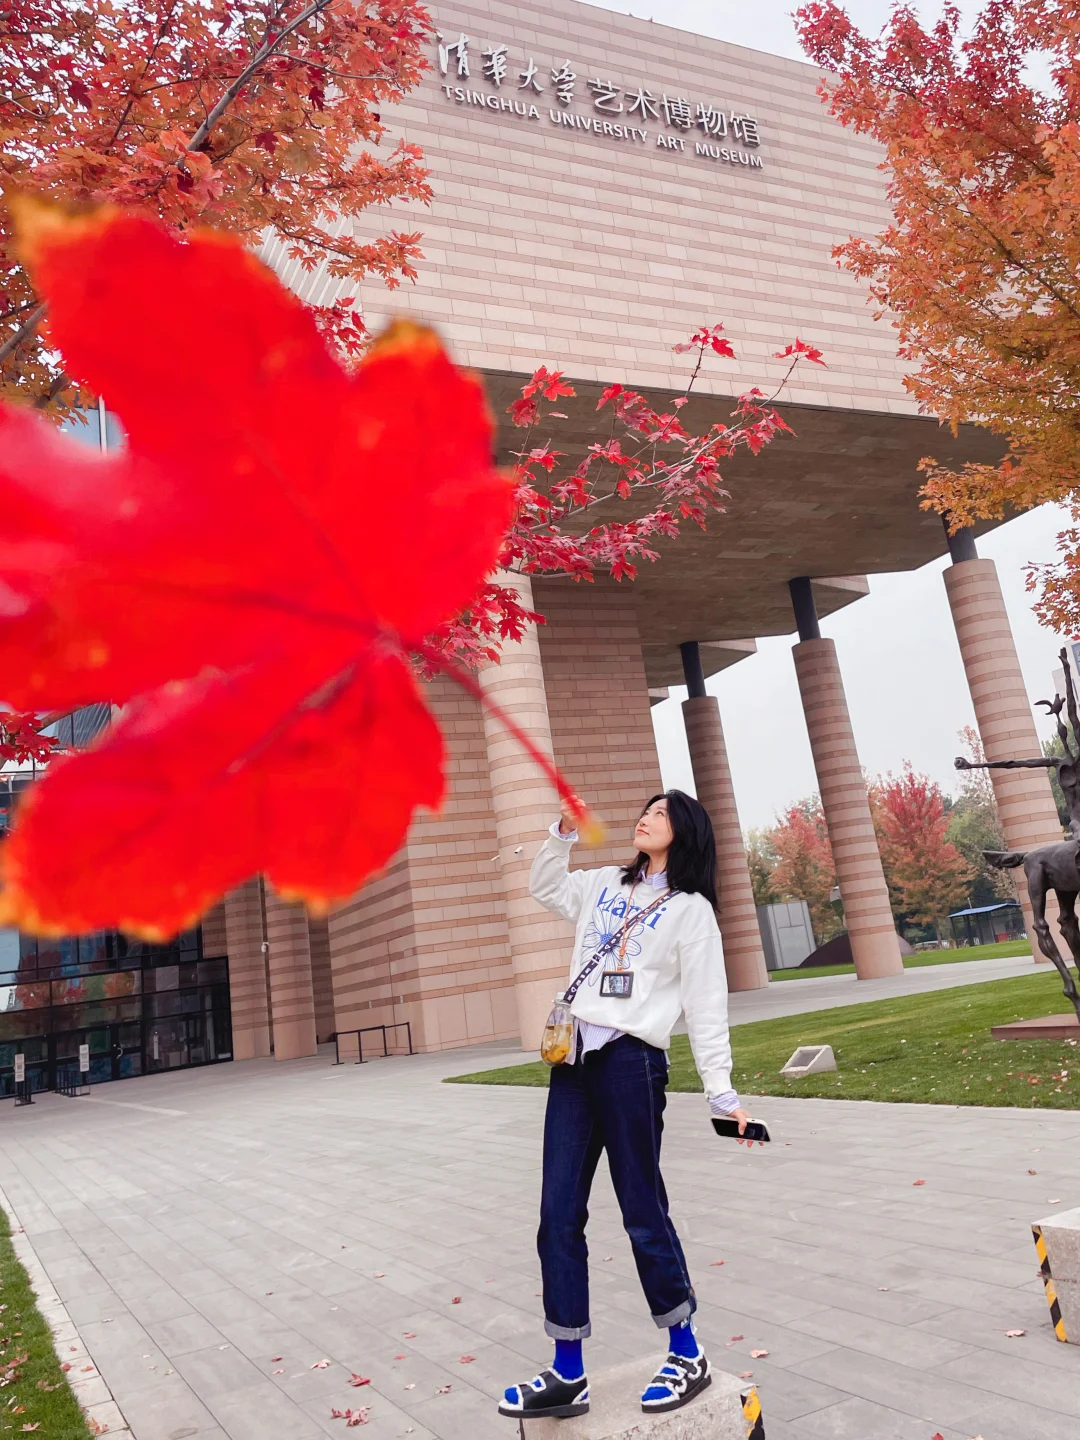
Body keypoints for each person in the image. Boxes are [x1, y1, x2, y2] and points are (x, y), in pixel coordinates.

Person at [499, 789, 751, 1423]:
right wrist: (559, 832)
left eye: (661, 812)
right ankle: (568, 1371)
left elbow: (707, 1004)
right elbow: (544, 887)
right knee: (557, 1213)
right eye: (645, 809)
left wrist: (721, 1091)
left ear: (685, 831)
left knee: (642, 1207)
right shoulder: (602, 882)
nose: (645, 817)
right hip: (575, 1062)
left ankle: (686, 1349)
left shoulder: (691, 912)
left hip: (632, 1065)